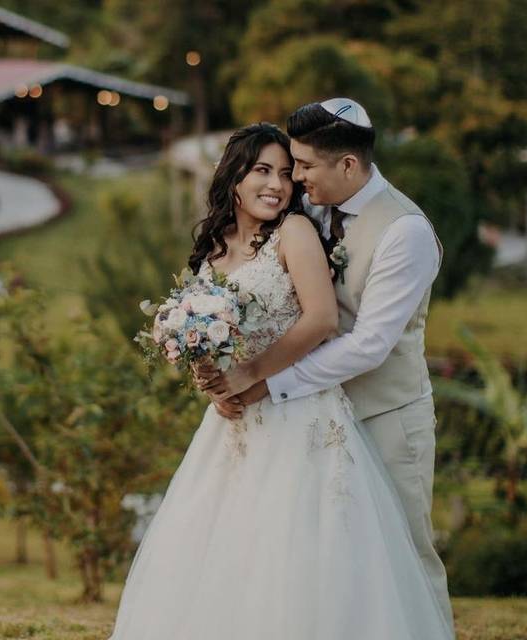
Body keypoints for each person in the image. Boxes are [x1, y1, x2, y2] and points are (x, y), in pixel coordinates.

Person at [107, 121, 453, 639]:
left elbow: (323, 322)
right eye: (264, 170)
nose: (280, 184)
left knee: (321, 549)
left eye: (290, 173)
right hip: (237, 420)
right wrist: (209, 371)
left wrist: (251, 376)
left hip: (304, 414)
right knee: (232, 547)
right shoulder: (216, 246)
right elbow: (215, 333)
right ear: (234, 177)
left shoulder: (300, 230)